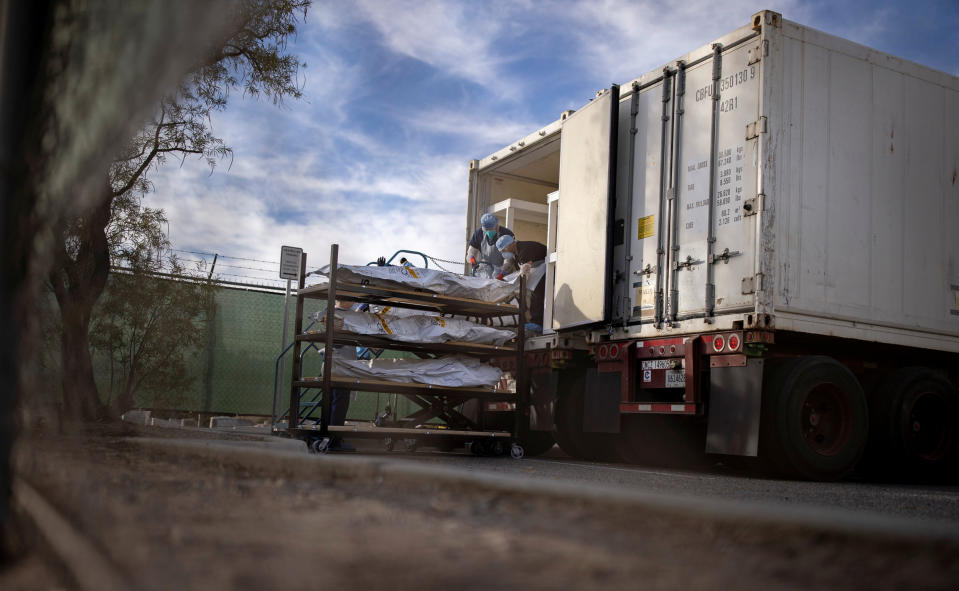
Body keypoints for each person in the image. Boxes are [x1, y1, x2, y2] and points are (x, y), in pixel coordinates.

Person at [495, 234, 547, 327]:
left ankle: (538, 323)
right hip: (536, 274)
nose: (503, 253)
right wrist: (503, 275)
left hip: (544, 271)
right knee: (534, 298)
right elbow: (516, 268)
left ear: (510, 244)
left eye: (503, 250)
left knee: (538, 298)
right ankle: (535, 322)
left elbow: (525, 268)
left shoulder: (524, 249)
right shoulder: (516, 253)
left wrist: (514, 284)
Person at [326, 299, 356, 452]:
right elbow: (337, 342)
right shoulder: (341, 315)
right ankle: (334, 441)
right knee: (340, 403)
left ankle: (329, 438)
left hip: (334, 364)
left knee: (332, 402)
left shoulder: (331, 313)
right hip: (342, 366)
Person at [466, 213, 514, 277]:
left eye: (491, 229)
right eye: (487, 230)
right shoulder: (479, 233)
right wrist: (471, 258)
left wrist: (504, 270)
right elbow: (471, 250)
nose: (489, 231)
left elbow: (509, 257)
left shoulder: (506, 234)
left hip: (502, 270)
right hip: (484, 270)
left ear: (496, 225)